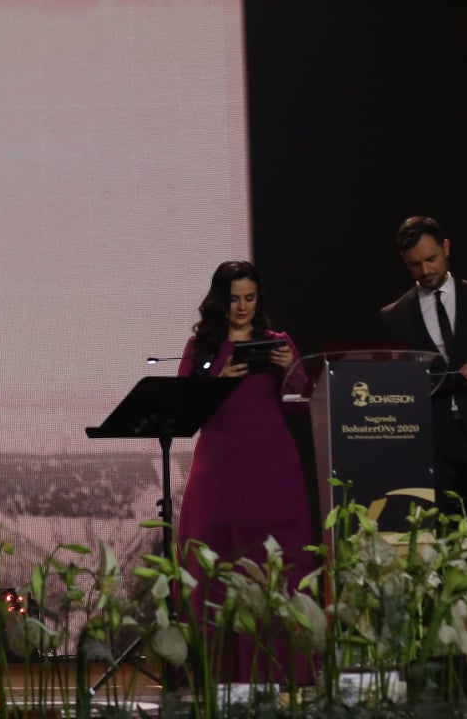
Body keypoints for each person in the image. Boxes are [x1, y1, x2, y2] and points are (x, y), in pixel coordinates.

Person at [176, 261, 314, 682]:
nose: (242, 307)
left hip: (271, 464)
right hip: (218, 465)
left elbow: (302, 403)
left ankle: (282, 670)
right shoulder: (201, 347)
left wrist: (291, 369)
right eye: (234, 299)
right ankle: (217, 671)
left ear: (259, 298)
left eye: (249, 298)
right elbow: (185, 411)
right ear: (221, 300)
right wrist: (218, 380)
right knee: (213, 558)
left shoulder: (277, 343)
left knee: (272, 557)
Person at [378, 215, 467, 512]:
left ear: (446, 247)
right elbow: (392, 386)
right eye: (415, 264)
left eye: (431, 259)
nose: (426, 271)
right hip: (431, 447)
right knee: (438, 533)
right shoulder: (394, 317)